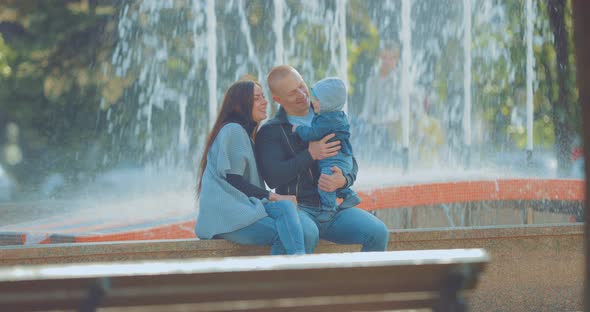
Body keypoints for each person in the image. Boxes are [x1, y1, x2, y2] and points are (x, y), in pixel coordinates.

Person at [255, 65, 389, 252]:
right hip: (298, 209)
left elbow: (348, 158)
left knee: (378, 231)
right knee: (307, 233)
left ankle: (363, 282)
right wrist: (310, 154)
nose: (302, 95)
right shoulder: (271, 131)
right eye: (293, 93)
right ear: (278, 99)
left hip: (332, 210)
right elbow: (273, 177)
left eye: (302, 86)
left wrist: (344, 179)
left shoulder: (330, 114)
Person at [195, 79, 317, 255]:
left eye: (263, 97)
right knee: (284, 233)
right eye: (257, 98)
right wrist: (274, 196)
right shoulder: (233, 131)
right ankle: (296, 269)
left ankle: (298, 266)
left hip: (242, 209)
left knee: (286, 207)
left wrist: (278, 199)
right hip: (227, 217)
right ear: (240, 104)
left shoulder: (244, 134)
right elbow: (234, 180)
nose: (265, 102)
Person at [292, 77, 362, 215]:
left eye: (317, 100)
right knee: (330, 178)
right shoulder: (335, 115)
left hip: (335, 160)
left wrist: (298, 129)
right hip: (340, 158)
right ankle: (349, 195)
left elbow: (313, 133)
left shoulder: (327, 119)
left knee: (325, 182)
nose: (312, 102)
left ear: (328, 103)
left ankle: (329, 209)